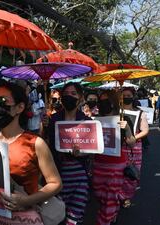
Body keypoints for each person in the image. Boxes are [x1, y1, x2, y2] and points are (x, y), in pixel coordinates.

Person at [0, 80, 62, 225]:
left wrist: (26, 201)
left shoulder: (35, 143)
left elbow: (55, 183)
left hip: (25, 219)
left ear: (20, 107)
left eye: (2, 101)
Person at [47, 82, 91, 225]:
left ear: (80, 98)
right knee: (57, 214)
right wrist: (43, 127)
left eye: (73, 94)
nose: (69, 97)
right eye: (66, 94)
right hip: (57, 176)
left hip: (79, 177)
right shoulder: (53, 120)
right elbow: (47, 146)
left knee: (74, 217)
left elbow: (92, 150)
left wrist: (82, 153)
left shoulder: (87, 122)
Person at [93, 90, 136, 225]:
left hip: (116, 165)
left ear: (113, 103)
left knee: (109, 197)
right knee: (101, 195)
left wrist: (127, 128)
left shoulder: (123, 118)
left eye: (107, 101)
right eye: (101, 101)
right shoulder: (96, 119)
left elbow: (132, 142)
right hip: (98, 164)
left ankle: (105, 220)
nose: (103, 104)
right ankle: (114, 209)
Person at [121, 88, 149, 208]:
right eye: (124, 95)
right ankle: (118, 196)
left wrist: (133, 138)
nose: (126, 97)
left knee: (132, 174)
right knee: (118, 174)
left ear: (133, 97)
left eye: (129, 95)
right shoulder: (116, 111)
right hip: (119, 147)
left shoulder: (140, 113)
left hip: (135, 148)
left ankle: (127, 197)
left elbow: (145, 130)